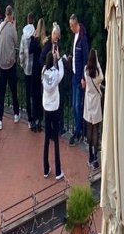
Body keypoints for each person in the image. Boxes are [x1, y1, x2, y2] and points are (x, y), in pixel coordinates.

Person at [41, 50, 64, 181]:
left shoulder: (44, 72)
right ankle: (58, 171)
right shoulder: (55, 74)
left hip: (46, 106)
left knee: (46, 139)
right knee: (55, 139)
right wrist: (59, 58)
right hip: (54, 107)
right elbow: (61, 73)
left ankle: (45, 168)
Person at [0, 5, 19, 130]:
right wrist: (14, 26)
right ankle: (16, 113)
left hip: (1, 63)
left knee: (2, 91)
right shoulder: (11, 27)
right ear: (12, 15)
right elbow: (16, 42)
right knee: (13, 89)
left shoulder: (0, 25)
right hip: (10, 62)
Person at [68, 14, 89, 145]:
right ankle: (78, 129)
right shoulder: (75, 37)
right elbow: (74, 52)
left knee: (77, 105)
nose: (70, 28)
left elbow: (85, 58)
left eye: (71, 26)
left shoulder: (83, 38)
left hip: (79, 76)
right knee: (74, 105)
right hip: (74, 74)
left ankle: (78, 131)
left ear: (76, 24)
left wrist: (83, 77)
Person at [82, 48, 103, 169]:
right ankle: (95, 157)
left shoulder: (86, 70)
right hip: (96, 102)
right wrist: (98, 63)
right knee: (96, 129)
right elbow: (102, 76)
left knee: (89, 129)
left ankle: (90, 154)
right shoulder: (97, 74)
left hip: (88, 101)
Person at [18, 11, 36, 129]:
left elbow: (21, 52)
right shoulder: (35, 34)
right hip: (34, 68)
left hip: (26, 69)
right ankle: (35, 117)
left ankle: (29, 118)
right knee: (34, 94)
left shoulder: (24, 36)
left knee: (27, 93)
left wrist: (22, 63)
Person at [27, 19, 45, 132]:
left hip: (34, 70)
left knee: (34, 95)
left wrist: (33, 38)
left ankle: (34, 120)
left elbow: (30, 51)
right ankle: (39, 119)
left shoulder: (35, 39)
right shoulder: (45, 40)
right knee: (40, 95)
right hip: (42, 70)